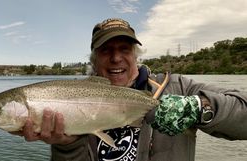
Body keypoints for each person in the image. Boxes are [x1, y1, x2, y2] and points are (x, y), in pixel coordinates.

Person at [14, 18, 247, 161]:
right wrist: (66, 146)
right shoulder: (74, 98)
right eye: (106, 50)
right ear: (93, 59)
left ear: (135, 55)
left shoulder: (178, 87)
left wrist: (199, 108)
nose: (116, 58)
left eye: (124, 49)